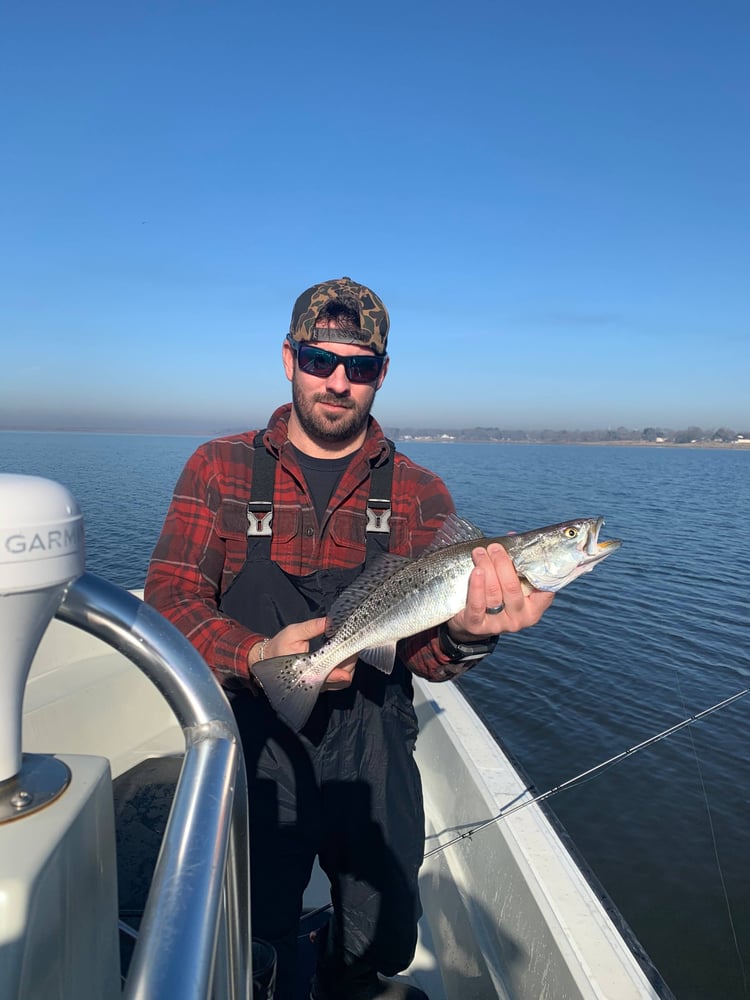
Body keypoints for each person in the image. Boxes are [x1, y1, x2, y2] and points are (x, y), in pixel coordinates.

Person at [145, 277, 554, 1000]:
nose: (338, 382)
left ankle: (347, 975)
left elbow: (425, 659)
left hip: (372, 742)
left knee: (382, 933)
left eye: (359, 367)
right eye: (319, 359)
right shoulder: (219, 467)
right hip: (254, 733)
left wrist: (466, 634)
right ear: (288, 358)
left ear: (381, 374)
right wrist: (255, 654)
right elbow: (169, 598)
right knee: (250, 919)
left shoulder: (421, 493)